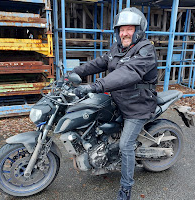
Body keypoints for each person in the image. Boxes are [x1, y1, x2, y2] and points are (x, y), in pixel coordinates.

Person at [72, 7, 158, 200]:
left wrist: (95, 86)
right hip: (118, 99)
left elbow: (128, 73)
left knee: (126, 146)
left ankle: (126, 188)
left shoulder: (146, 50)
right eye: (121, 29)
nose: (124, 33)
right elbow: (100, 62)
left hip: (138, 105)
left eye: (129, 29)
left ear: (139, 30)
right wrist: (77, 72)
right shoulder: (117, 48)